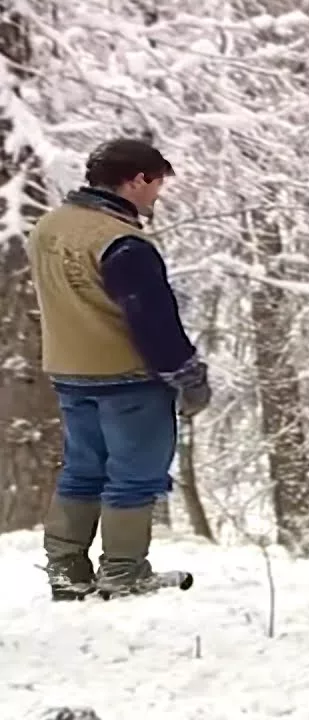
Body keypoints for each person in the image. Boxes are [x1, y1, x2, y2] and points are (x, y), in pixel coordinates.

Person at [27, 137, 211, 600]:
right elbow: (154, 323)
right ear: (137, 180)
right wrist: (190, 378)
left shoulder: (49, 227)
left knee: (82, 470)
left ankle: (66, 570)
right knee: (135, 475)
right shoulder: (122, 243)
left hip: (69, 373)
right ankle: (124, 573)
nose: (157, 195)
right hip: (127, 380)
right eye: (156, 184)